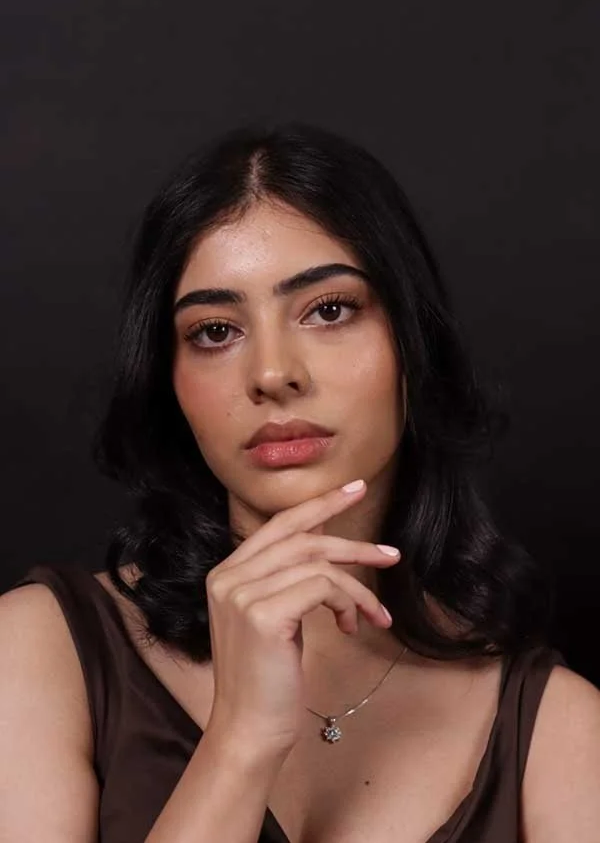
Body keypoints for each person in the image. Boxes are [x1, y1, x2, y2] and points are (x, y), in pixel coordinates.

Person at [1, 123, 599, 843]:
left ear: (412, 344)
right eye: (215, 331)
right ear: (170, 383)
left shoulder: (559, 730)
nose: (272, 373)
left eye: (329, 309)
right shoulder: (35, 652)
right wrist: (241, 742)